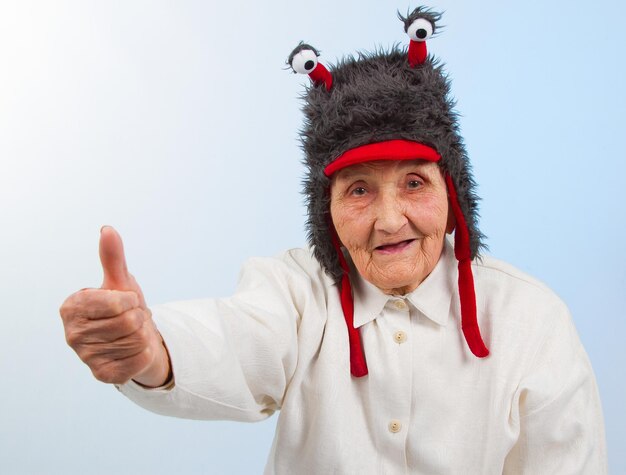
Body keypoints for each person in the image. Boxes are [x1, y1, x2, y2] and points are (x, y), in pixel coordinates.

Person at [59, 7, 607, 474]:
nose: (390, 221)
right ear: (327, 211)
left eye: (414, 183)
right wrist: (151, 349)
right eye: (360, 190)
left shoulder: (534, 322)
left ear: (453, 196)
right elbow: (234, 338)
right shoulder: (296, 294)